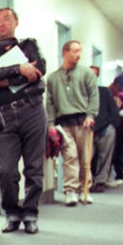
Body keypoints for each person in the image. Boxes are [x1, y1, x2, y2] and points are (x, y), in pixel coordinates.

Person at [0, 7, 47, 234]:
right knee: (8, 171)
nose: (2, 24)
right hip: (4, 116)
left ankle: (30, 214)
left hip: (32, 110)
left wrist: (7, 79)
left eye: (6, 19)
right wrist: (19, 69)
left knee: (34, 168)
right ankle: (12, 213)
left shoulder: (28, 45)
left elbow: (40, 68)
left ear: (16, 22)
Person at [45, 40, 99, 206]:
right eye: (75, 51)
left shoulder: (86, 73)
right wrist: (51, 123)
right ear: (65, 52)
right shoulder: (53, 78)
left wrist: (91, 115)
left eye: (80, 51)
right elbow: (50, 102)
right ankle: (70, 190)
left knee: (85, 157)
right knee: (69, 157)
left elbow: (94, 96)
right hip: (64, 123)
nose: (78, 55)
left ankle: (85, 189)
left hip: (83, 120)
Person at [88, 66, 120, 192]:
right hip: (88, 129)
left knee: (105, 156)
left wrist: (112, 124)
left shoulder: (104, 91)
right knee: (86, 157)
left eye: (94, 74)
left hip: (106, 128)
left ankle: (100, 181)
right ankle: (88, 181)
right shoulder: (80, 92)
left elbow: (113, 110)